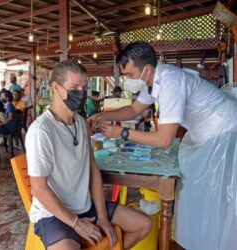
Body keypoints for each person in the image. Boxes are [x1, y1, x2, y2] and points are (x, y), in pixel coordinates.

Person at [89, 41, 237, 250]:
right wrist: (103, 115)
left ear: (146, 69)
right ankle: (206, 241)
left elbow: (163, 140)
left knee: (220, 196)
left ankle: (219, 243)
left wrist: (122, 132)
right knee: (204, 197)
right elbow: (134, 110)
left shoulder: (171, 82)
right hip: (209, 132)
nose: (127, 80)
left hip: (225, 132)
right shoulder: (154, 81)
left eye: (130, 75)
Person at [26, 60, 151, 250]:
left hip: (86, 206)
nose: (81, 92)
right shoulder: (41, 131)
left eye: (84, 87)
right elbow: (39, 189)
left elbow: (93, 170)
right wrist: (76, 223)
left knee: (144, 225)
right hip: (54, 214)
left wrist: (102, 216)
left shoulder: (81, 122)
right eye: (74, 87)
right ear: (56, 88)